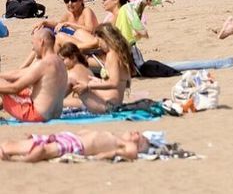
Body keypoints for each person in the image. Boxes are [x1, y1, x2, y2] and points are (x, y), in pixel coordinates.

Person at [0, 29, 68, 122]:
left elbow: (15, 88)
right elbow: (18, 73)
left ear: (41, 42)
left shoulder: (44, 64)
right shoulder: (59, 61)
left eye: (33, 44)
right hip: (55, 114)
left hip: (36, 115)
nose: (32, 48)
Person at [66, 24, 132, 113]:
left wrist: (88, 86)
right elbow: (119, 82)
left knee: (73, 82)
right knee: (76, 92)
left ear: (107, 39)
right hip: (111, 102)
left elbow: (114, 83)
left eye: (99, 41)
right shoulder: (117, 54)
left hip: (109, 105)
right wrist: (98, 81)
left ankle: (51, 103)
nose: (99, 45)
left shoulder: (113, 56)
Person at [0, 129, 151, 162]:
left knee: (43, 150)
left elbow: (132, 153)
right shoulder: (114, 135)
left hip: (77, 145)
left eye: (141, 137)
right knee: (13, 144)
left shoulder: (123, 144)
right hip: (69, 137)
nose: (136, 133)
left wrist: (106, 155)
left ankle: (21, 161)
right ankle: (7, 150)